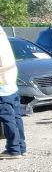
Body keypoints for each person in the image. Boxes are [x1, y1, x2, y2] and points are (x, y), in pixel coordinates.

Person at [0, 25, 26, 159]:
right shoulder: (3, 38)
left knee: (7, 117)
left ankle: (13, 149)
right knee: (16, 116)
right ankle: (21, 147)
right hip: (10, 82)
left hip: (2, 85)